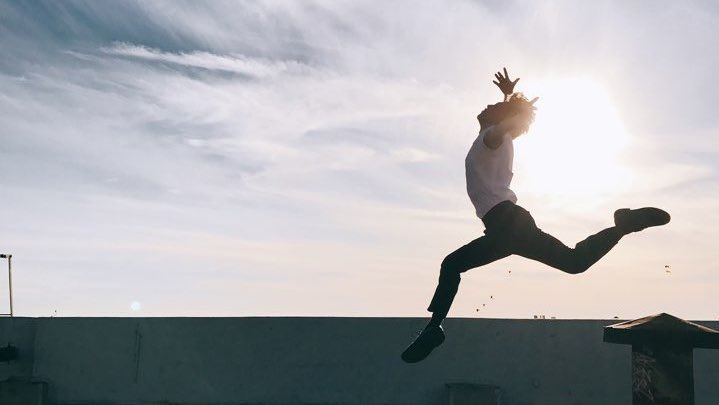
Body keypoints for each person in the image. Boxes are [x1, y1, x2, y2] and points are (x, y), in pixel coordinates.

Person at [400, 68, 670, 363]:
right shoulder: (492, 137)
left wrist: (520, 111)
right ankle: (622, 226)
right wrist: (509, 99)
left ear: (501, 119)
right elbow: (502, 123)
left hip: (506, 224)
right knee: (573, 262)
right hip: (506, 225)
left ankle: (435, 327)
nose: (486, 106)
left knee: (453, 265)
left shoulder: (492, 137)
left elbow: (501, 127)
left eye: (493, 107)